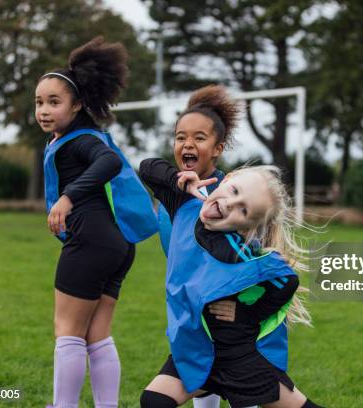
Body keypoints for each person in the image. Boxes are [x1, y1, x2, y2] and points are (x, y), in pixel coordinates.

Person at [138, 160, 323, 408]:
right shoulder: (184, 206)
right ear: (227, 179)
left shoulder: (238, 250)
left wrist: (247, 313)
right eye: (234, 191)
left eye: (243, 210)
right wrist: (179, 179)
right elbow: (148, 168)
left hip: (239, 356)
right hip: (198, 351)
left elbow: (286, 280)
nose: (230, 203)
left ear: (246, 225)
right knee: (154, 400)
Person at [37, 37, 156, 408]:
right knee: (97, 335)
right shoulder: (75, 137)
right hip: (119, 246)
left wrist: (68, 198)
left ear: (77, 104)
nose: (44, 110)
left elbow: (110, 162)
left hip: (90, 241)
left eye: (54, 102)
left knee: (68, 332)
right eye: (39, 102)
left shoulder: (80, 141)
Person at [155, 84, 251, 408]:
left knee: (245, 394)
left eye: (199, 137)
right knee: (198, 389)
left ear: (219, 147)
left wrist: (245, 308)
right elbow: (147, 166)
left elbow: (257, 260)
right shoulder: (172, 195)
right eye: (180, 137)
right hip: (194, 318)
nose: (187, 144)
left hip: (236, 321)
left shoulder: (234, 193)